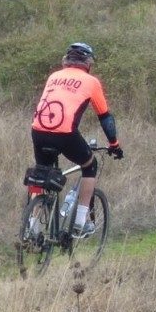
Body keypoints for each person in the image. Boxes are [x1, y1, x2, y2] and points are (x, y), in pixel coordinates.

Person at [31, 42, 122, 238]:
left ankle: (32, 226)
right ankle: (81, 222)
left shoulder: (54, 76)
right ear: (88, 62)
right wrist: (114, 144)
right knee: (90, 164)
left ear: (66, 61)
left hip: (38, 130)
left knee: (42, 174)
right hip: (65, 133)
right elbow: (105, 118)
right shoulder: (91, 81)